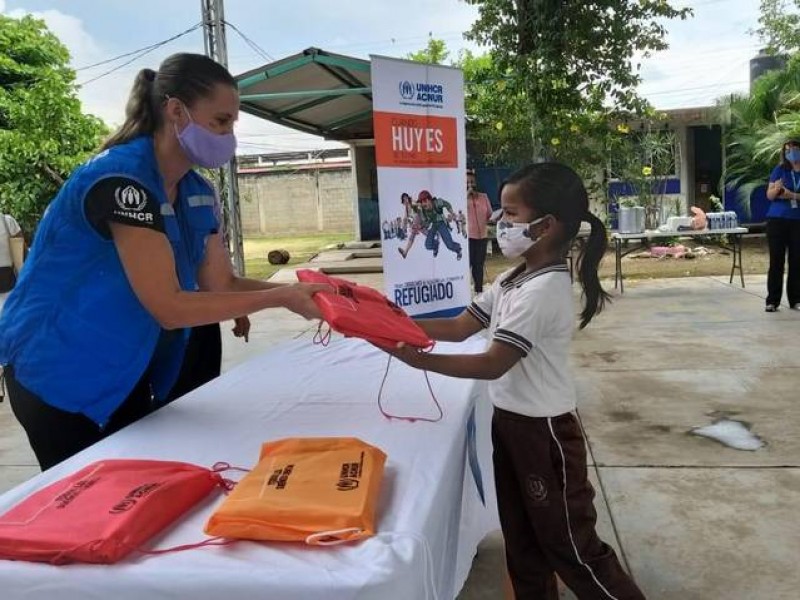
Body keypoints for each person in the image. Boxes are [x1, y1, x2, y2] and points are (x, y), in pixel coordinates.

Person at [0, 53, 329, 471]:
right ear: (177, 111)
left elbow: (221, 284)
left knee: (140, 494)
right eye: (221, 122)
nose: (230, 138)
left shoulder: (196, 190)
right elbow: (169, 307)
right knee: (90, 511)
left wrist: (311, 294)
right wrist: (282, 297)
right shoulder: (121, 182)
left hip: (127, 369)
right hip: (63, 372)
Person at [385, 163, 645, 599]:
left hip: (545, 434)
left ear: (546, 225)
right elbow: (460, 325)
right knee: (523, 544)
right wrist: (392, 320)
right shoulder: (513, 278)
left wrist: (419, 362)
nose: (499, 223)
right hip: (511, 423)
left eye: (510, 213)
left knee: (571, 548)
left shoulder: (542, 290)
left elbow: (493, 363)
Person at [764, 138, 800, 312]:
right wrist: (777, 190)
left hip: (797, 221)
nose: (790, 153)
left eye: (793, 149)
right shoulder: (780, 170)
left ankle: (796, 299)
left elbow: (794, 196)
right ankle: (772, 300)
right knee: (776, 260)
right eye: (787, 150)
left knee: (796, 261)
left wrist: (791, 195)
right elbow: (769, 195)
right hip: (777, 220)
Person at [466, 169, 494, 293]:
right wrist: (467, 195)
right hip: (468, 238)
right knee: (468, 266)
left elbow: (490, 215)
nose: (470, 184)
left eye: (472, 181)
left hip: (482, 236)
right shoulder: (460, 198)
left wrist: (495, 218)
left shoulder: (484, 197)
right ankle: (464, 293)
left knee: (479, 266)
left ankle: (479, 291)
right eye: (467, 182)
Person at [417, 190, 462, 260]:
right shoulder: (424, 211)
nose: (423, 204)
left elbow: (447, 204)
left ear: (430, 199)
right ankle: (436, 246)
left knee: (449, 245)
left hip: (441, 224)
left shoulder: (437, 202)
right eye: (421, 202)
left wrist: (452, 212)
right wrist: (421, 226)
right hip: (434, 225)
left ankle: (458, 250)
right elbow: (427, 222)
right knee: (428, 245)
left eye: (425, 201)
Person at [0, 213, 23, 292]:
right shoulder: (7, 221)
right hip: (10, 282)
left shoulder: (7, 221)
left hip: (9, 280)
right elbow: (21, 250)